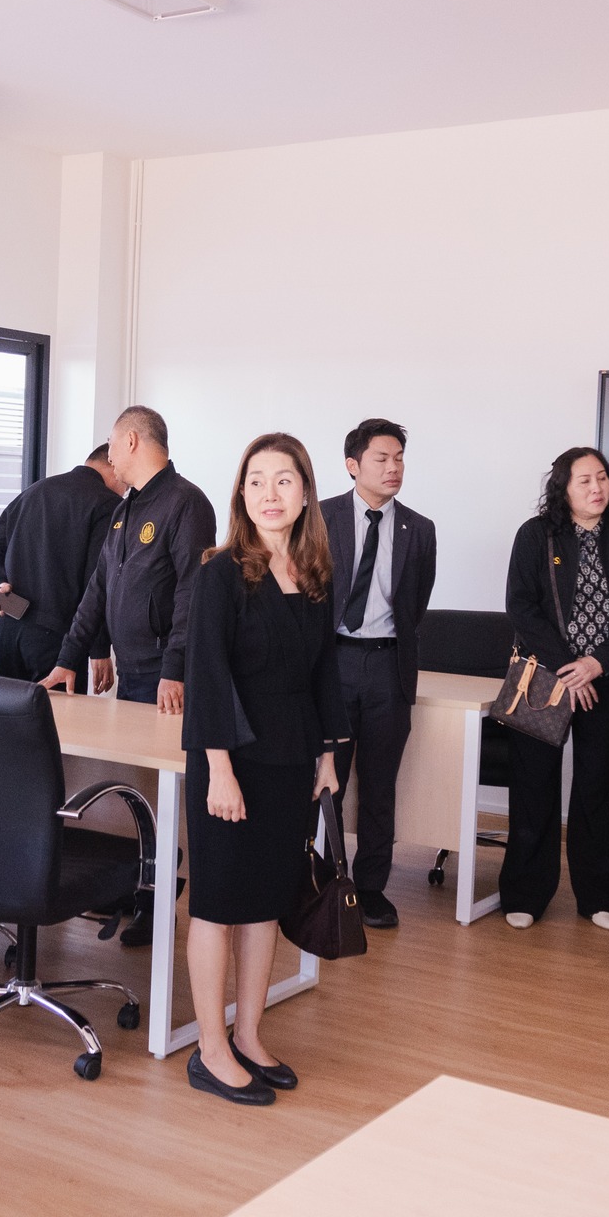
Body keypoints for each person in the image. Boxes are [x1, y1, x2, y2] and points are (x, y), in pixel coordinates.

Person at [180, 432, 348, 1106]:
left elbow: (326, 672)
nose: (269, 493)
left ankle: (248, 1034)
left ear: (305, 492)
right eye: (256, 480)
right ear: (241, 493)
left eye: (283, 479)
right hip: (231, 761)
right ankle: (209, 1047)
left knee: (265, 904)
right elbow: (206, 675)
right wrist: (219, 768)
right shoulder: (220, 573)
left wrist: (328, 754)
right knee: (219, 903)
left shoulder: (314, 575)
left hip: (291, 759)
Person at [500, 448, 609, 931]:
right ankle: (525, 894)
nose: (596, 488)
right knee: (533, 786)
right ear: (562, 488)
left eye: (602, 478)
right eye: (584, 480)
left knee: (598, 788)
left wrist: (596, 663)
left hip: (603, 679)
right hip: (544, 678)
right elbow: (522, 607)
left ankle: (600, 895)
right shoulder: (536, 534)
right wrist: (569, 668)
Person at [323, 418, 437, 929]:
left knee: (379, 784)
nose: (394, 468)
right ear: (353, 465)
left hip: (388, 666)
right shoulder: (319, 518)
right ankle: (323, 879)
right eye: (382, 459)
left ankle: (369, 889)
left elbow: (415, 606)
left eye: (399, 459)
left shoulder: (419, 529)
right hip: (332, 662)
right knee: (325, 779)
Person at [42, 406, 217, 713]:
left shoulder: (186, 502)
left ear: (131, 441)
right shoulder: (123, 510)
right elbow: (98, 588)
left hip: (166, 677)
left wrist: (174, 669)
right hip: (130, 672)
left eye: (111, 444)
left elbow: (193, 592)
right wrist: (68, 658)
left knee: (171, 748)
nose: (108, 456)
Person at [0, 444, 126, 688]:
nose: (125, 489)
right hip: (55, 639)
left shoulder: (33, 491)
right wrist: (99, 648)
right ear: (112, 465)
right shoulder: (107, 503)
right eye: (126, 486)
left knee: (7, 711)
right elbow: (97, 581)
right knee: (56, 713)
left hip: (5, 628)